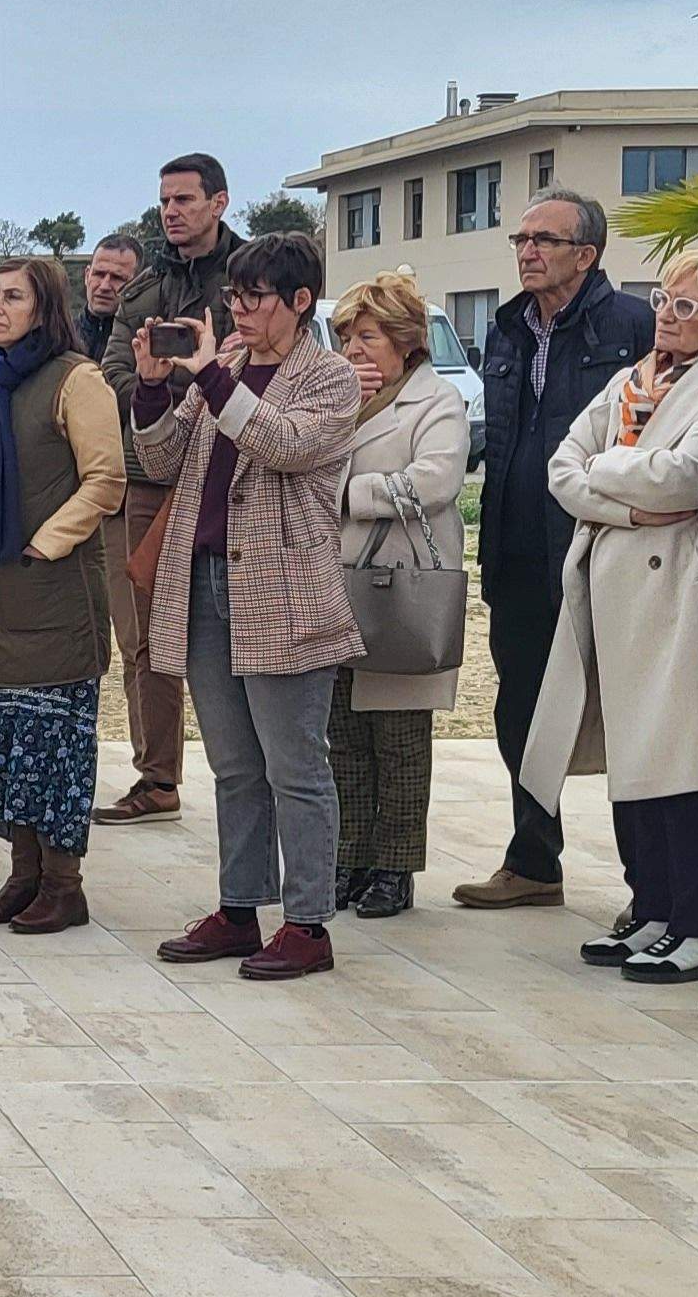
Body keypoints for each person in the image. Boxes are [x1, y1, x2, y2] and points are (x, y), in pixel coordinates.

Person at [520, 248, 698, 985]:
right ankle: (653, 910)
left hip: (681, 591)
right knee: (633, 759)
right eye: (664, 297)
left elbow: (691, 474)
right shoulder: (634, 378)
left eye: (688, 306)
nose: (668, 313)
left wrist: (608, 477)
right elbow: (563, 466)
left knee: (687, 764)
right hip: (613, 579)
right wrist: (626, 499)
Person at [137, 233, 363, 980]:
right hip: (203, 579)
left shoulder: (330, 377)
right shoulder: (225, 369)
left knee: (295, 764)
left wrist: (209, 379)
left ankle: (307, 922)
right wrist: (153, 387)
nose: (238, 310)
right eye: (232, 296)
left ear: (300, 302)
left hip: (283, 587)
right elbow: (162, 462)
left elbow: (284, 444)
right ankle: (240, 908)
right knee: (233, 764)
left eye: (254, 297)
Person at [454, 188, 658, 910]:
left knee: (629, 714)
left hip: (600, 548)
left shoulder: (635, 324)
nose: (527, 251)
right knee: (521, 710)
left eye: (544, 239)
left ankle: (652, 886)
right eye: (521, 239)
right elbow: (507, 444)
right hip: (515, 547)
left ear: (587, 254)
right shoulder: (508, 329)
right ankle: (534, 861)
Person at [0, 261, 129, 933]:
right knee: (6, 744)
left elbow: (105, 481)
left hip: (52, 590)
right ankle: (22, 878)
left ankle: (63, 886)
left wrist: (45, 544)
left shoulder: (78, 379)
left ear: (44, 307)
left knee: (52, 751)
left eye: (12, 296)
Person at [91, 157, 239, 829]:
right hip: (147, 477)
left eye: (184, 199)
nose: (171, 211)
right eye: (164, 201)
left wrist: (188, 383)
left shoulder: (252, 275)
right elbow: (119, 371)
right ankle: (157, 778)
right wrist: (177, 390)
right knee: (143, 638)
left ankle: (252, 771)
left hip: (234, 475)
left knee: (248, 634)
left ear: (219, 201)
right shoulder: (145, 284)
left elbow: (254, 364)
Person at [325, 269, 470, 919]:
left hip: (400, 586)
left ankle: (395, 867)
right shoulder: (332, 399)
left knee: (401, 740)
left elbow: (433, 481)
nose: (355, 350)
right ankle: (347, 858)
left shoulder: (436, 400)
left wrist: (348, 497)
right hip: (336, 585)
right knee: (343, 734)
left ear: (405, 340)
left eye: (368, 337)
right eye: (347, 338)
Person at [69, 230, 143, 359]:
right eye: (99, 274)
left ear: (138, 284)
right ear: (87, 275)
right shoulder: (60, 339)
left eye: (117, 278)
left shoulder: (143, 345)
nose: (104, 286)